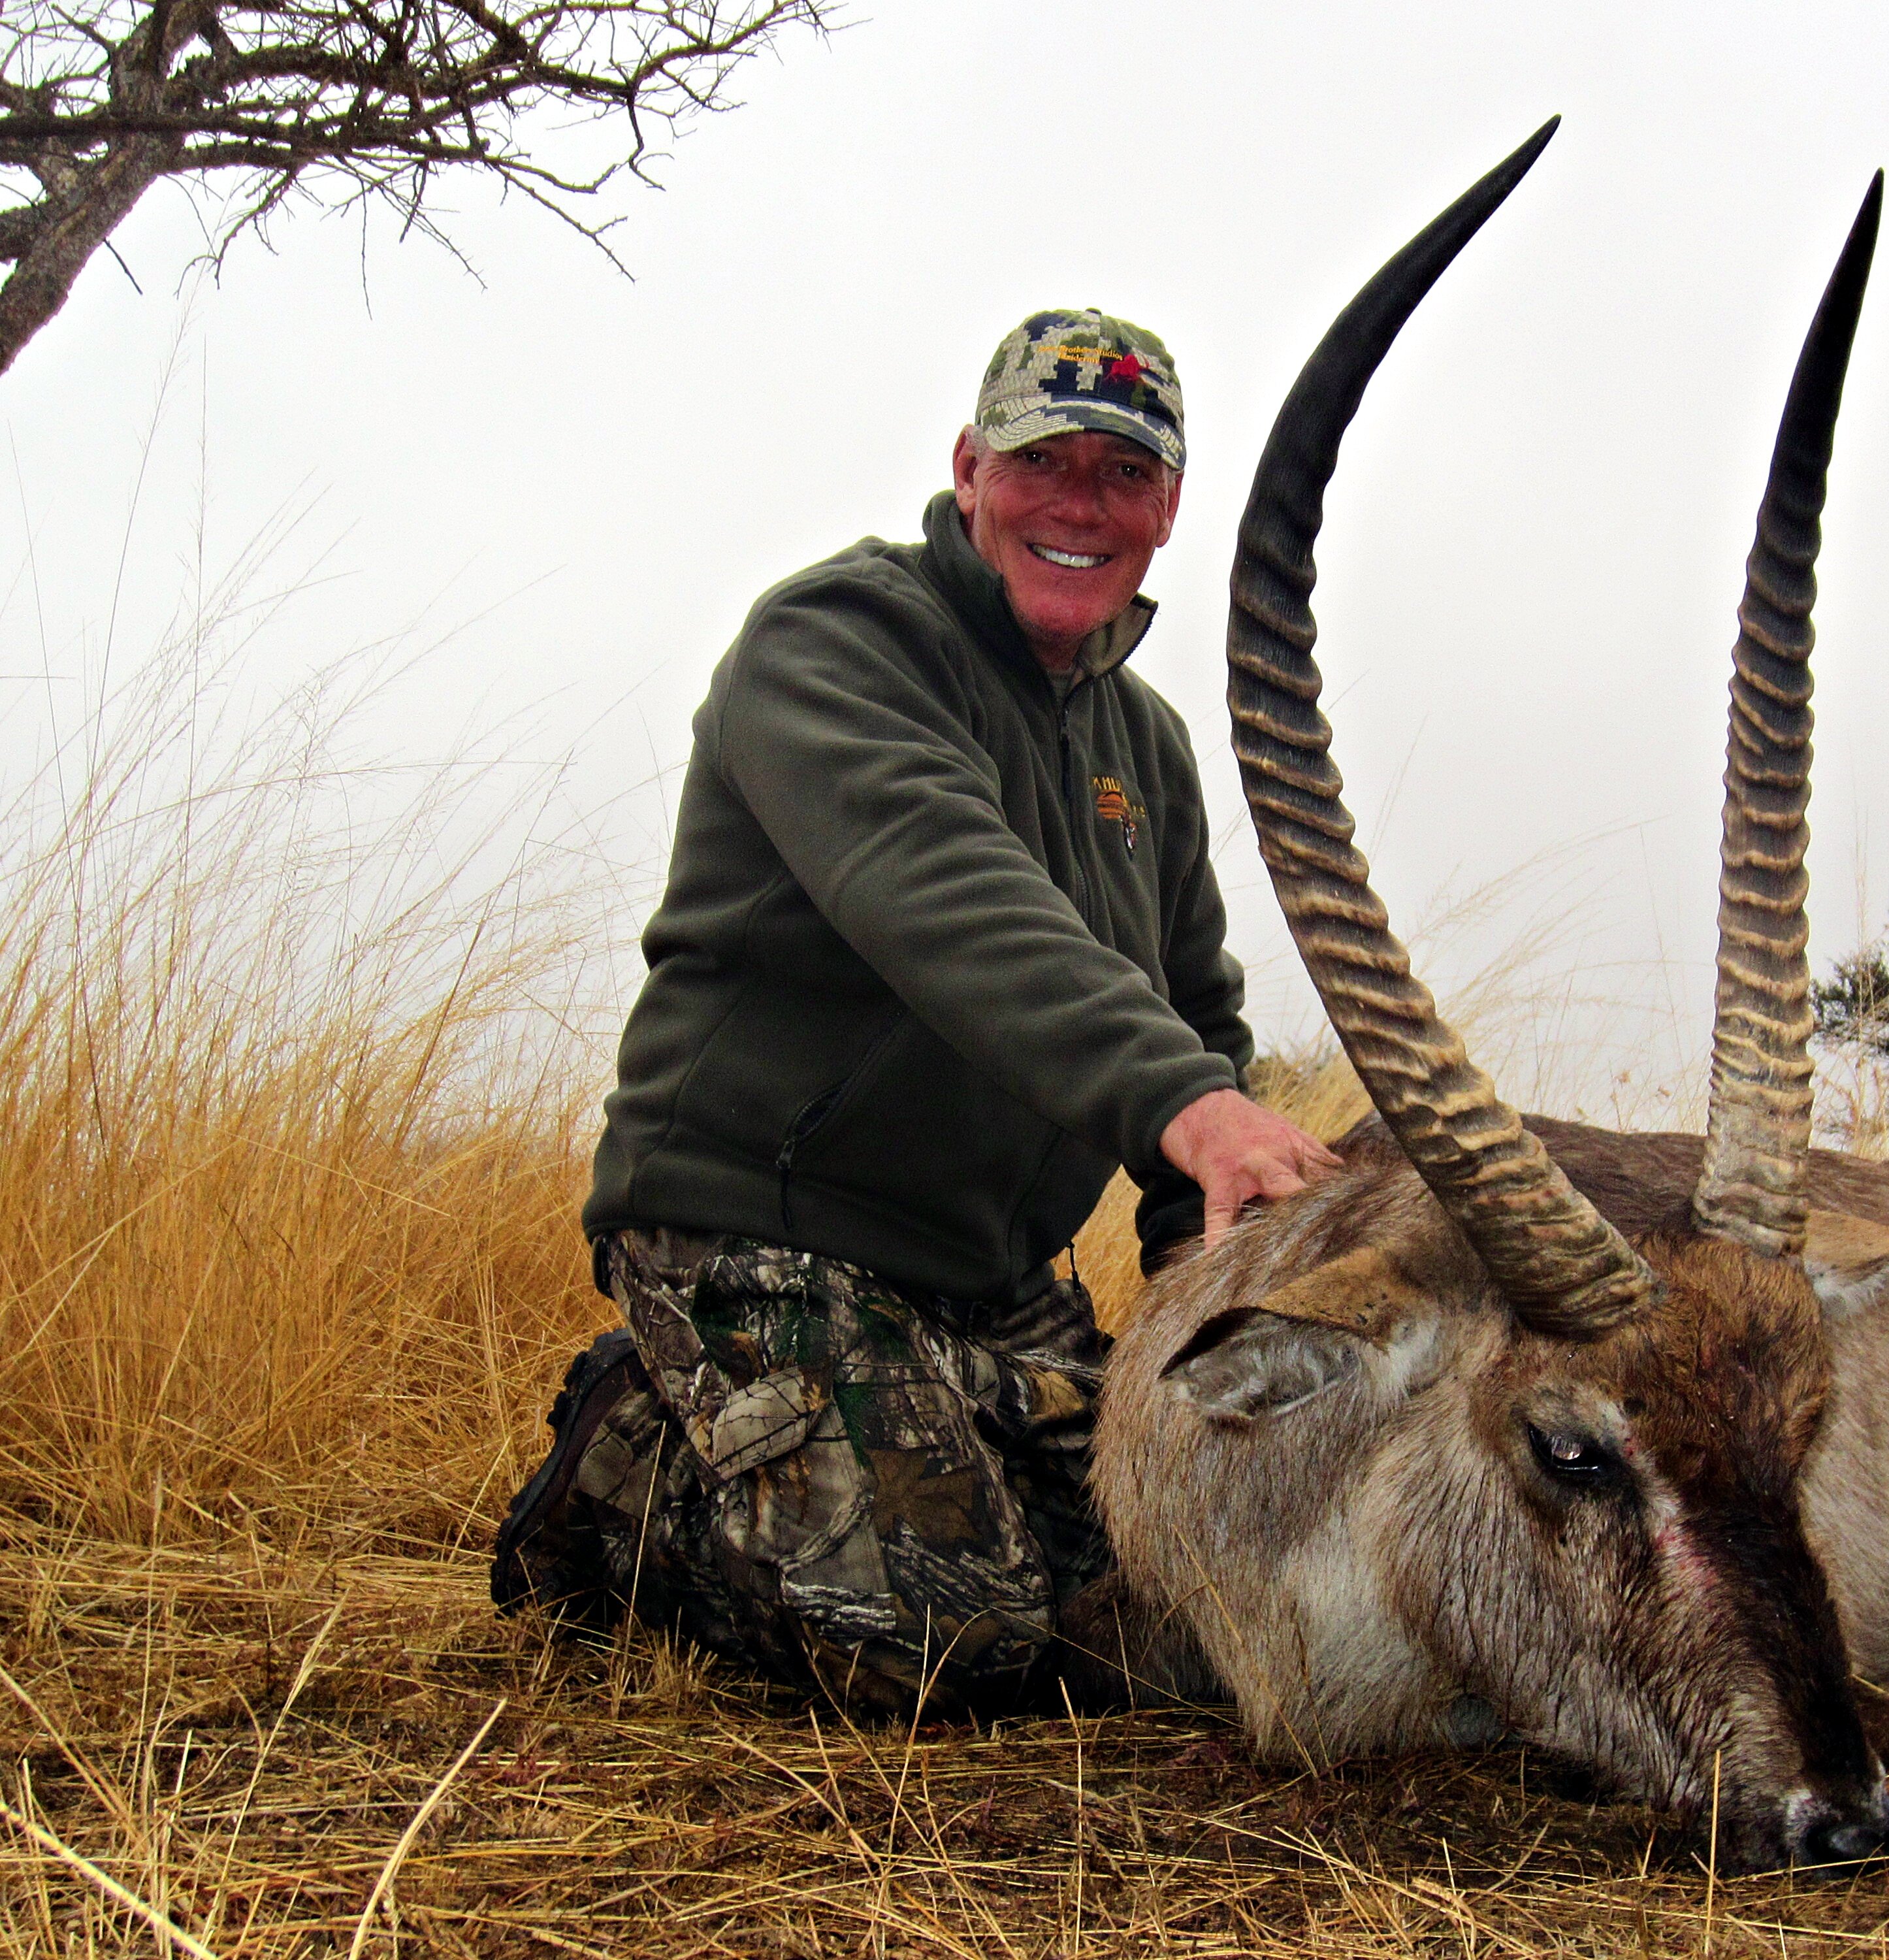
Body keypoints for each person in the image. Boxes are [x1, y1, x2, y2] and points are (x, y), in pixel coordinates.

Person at [489, 309, 1337, 1719]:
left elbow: (1196, 1019)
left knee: (1178, 1624)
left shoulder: (1151, 752)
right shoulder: (836, 641)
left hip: (997, 1292)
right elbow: (939, 891)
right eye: (1041, 461)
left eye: (1122, 476)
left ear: (1169, 509)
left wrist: (1213, 1288)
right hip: (762, 1236)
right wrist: (1186, 1106)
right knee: (943, 1645)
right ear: (966, 470)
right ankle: (626, 1469)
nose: (1080, 503)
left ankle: (928, 1439)